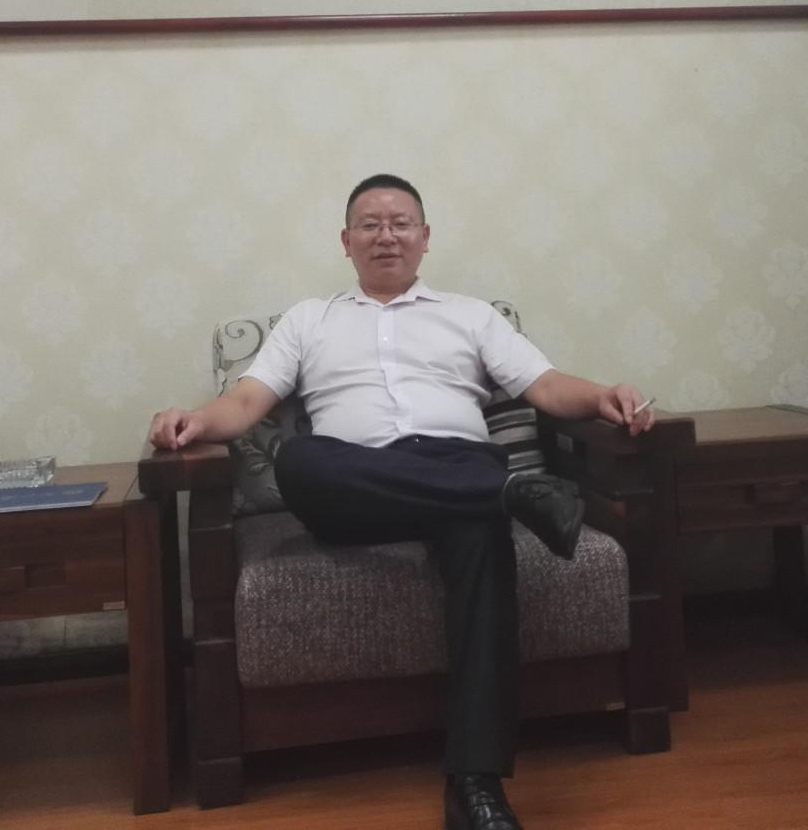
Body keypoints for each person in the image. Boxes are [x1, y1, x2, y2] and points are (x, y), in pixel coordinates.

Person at [148, 174, 655, 830]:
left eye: (400, 223)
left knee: (480, 536)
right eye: (370, 224)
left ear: (425, 237)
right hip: (355, 488)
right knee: (300, 459)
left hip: (456, 464)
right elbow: (246, 402)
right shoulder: (310, 320)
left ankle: (475, 786)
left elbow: (548, 386)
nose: (386, 236)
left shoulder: (471, 316)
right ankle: (508, 494)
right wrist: (192, 420)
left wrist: (604, 396)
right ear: (346, 241)